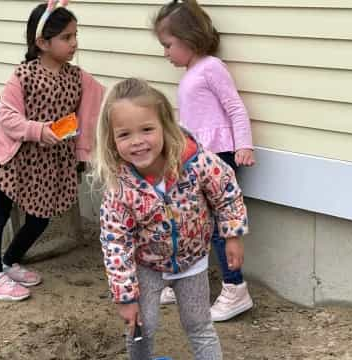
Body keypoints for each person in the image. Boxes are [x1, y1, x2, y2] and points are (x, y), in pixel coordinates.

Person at [92, 78, 248, 359]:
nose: (137, 142)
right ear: (112, 140)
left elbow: (225, 191)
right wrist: (125, 297)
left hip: (192, 262)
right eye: (124, 135)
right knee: (141, 326)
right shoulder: (120, 187)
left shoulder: (194, 163)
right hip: (147, 265)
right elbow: (115, 244)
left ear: (165, 126)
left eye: (147, 130)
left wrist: (232, 235)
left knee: (199, 325)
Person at [0, 0, 104, 301]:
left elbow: (99, 101)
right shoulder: (23, 75)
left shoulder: (76, 77)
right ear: (42, 42)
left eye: (75, 35)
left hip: (49, 165)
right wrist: (39, 131)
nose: (74, 43)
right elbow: (7, 116)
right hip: (14, 161)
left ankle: (10, 261)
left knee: (40, 217)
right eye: (66, 37)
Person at [153, 0, 255, 321]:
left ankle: (235, 288)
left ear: (189, 38)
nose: (166, 53)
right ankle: (179, 279)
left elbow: (235, 108)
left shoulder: (211, 67)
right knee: (186, 219)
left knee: (214, 227)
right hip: (194, 159)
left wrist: (245, 145)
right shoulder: (192, 73)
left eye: (168, 45)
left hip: (219, 156)